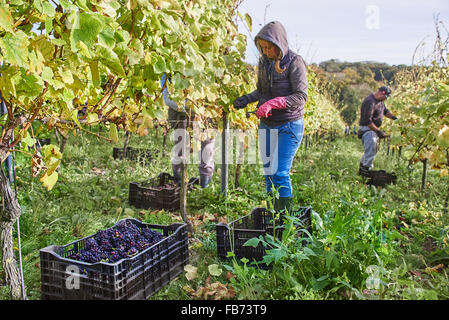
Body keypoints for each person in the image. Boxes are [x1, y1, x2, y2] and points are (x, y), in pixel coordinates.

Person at [233, 21, 308, 214]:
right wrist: (246, 99)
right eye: (262, 48)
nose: (265, 52)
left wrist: (274, 104)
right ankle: (272, 215)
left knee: (280, 173)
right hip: (267, 125)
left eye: (269, 47)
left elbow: (301, 97)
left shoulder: (294, 62)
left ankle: (284, 219)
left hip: (289, 125)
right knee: (268, 173)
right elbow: (262, 91)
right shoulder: (264, 62)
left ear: (279, 44)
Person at [160, 74, 215, 188]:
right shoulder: (168, 72)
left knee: (206, 152)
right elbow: (167, 99)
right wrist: (188, 105)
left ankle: (204, 186)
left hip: (205, 116)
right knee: (180, 152)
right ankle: (179, 184)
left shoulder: (207, 66)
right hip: (182, 117)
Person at [357, 86, 398, 176]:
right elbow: (367, 121)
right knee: (371, 149)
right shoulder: (370, 102)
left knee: (372, 150)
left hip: (372, 129)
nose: (385, 99)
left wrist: (395, 118)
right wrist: (378, 131)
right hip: (368, 129)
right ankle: (366, 171)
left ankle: (362, 169)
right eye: (385, 97)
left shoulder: (380, 102)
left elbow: (385, 111)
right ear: (381, 93)